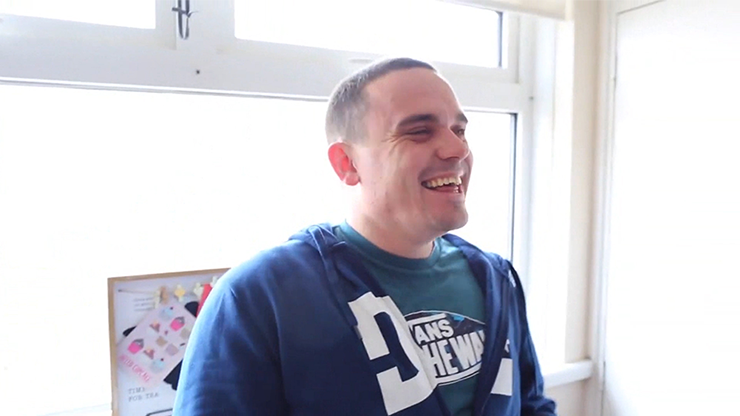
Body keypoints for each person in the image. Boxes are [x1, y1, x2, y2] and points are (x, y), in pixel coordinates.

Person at [173, 57, 557, 416]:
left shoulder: (496, 278)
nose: (458, 149)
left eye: (459, 130)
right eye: (419, 132)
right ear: (348, 163)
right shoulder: (259, 297)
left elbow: (532, 405)